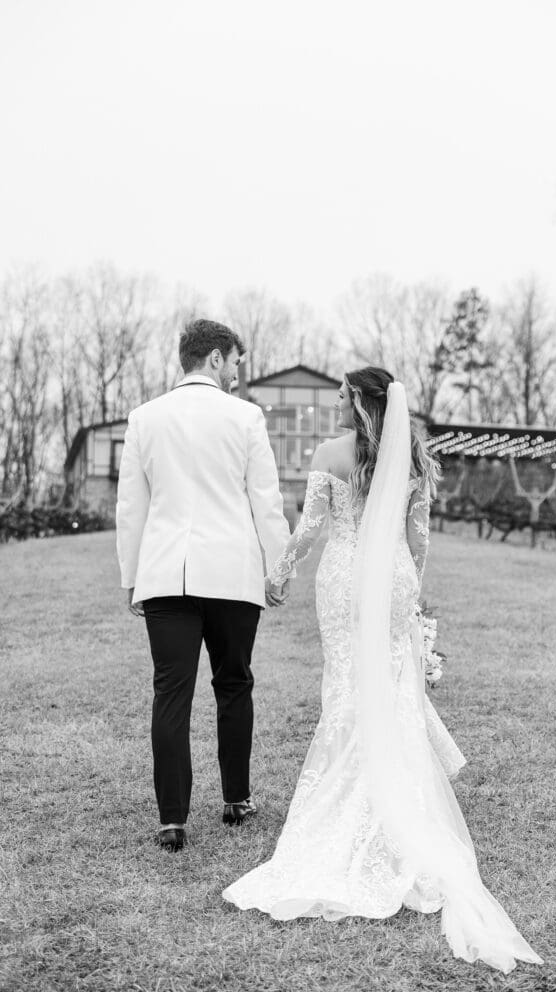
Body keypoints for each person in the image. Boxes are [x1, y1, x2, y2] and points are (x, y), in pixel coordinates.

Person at [223, 367, 543, 974]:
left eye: (343, 394)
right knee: (393, 689)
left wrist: (281, 571)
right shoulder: (413, 457)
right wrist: (411, 598)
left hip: (344, 579)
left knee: (346, 685)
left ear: (362, 401)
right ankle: (398, 798)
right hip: (393, 578)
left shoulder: (329, 454)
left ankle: (353, 796)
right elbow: (417, 540)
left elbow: (312, 528)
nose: (336, 402)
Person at [116, 319, 291, 852]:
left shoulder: (145, 418)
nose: (237, 371)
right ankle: (236, 799)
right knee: (234, 684)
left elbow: (132, 506)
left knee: (171, 691)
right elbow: (266, 499)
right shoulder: (245, 417)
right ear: (215, 359)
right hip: (233, 574)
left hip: (167, 573)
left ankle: (172, 819)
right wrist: (278, 566)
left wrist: (131, 576)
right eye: (235, 361)